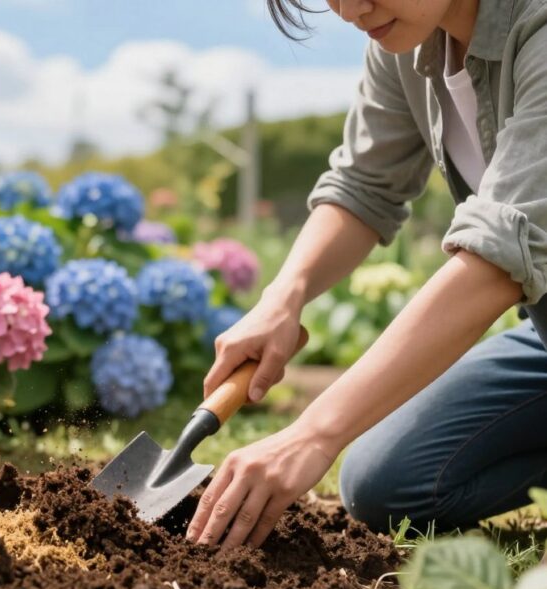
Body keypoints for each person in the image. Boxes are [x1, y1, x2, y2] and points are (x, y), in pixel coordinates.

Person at [187, 0, 547, 551]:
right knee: (387, 481)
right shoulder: (409, 39)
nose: (351, 9)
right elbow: (363, 185)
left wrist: (313, 433)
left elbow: (496, 258)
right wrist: (284, 297)